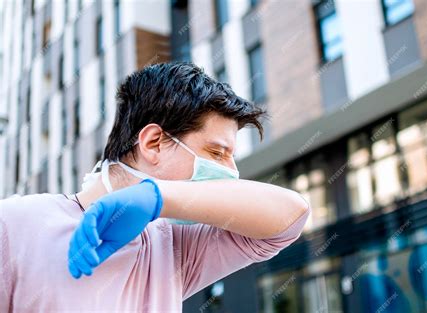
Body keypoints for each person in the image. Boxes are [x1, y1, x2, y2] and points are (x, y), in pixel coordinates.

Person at [0, 62, 310, 312]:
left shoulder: (173, 249)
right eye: (217, 153)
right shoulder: (14, 225)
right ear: (153, 143)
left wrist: (156, 196)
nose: (231, 172)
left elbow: (290, 216)